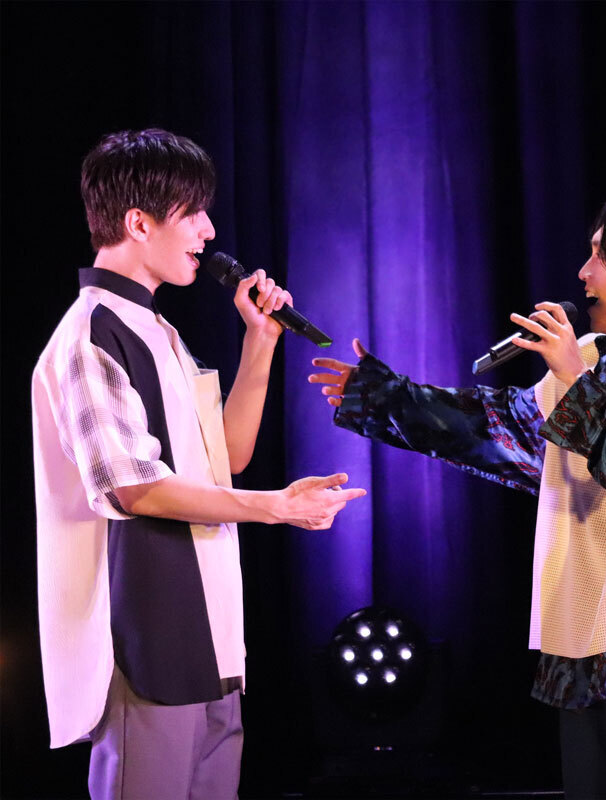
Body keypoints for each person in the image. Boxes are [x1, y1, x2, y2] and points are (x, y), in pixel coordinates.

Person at [309, 189, 606, 799]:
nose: (583, 273)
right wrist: (386, 396)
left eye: (601, 257)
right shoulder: (596, 361)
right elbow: (503, 434)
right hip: (584, 648)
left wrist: (575, 378)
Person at [32, 128, 366, 800]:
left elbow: (225, 458)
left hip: (209, 634)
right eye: (192, 213)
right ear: (138, 222)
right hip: (144, 637)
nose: (209, 231)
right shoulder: (92, 334)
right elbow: (134, 488)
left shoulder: (159, 331)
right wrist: (277, 507)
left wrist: (260, 342)